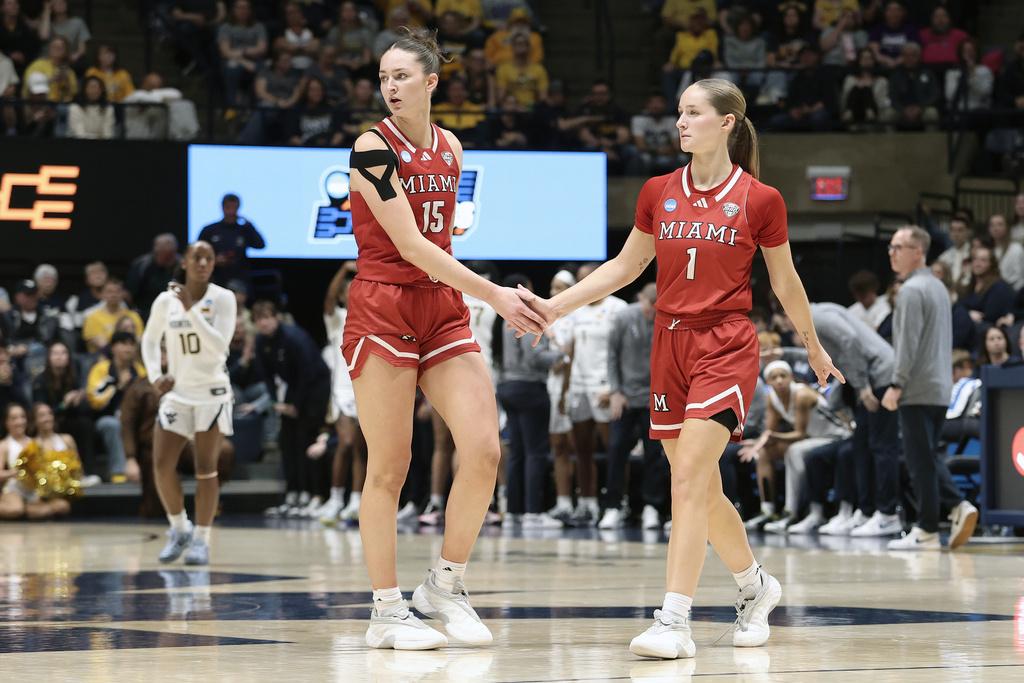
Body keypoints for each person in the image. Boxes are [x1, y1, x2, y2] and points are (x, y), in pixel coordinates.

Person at [517, 78, 842, 659]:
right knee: (701, 487)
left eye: (693, 113)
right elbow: (625, 267)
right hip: (669, 345)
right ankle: (755, 587)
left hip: (726, 345)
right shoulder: (658, 190)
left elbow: (785, 282)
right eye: (679, 113)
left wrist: (812, 345)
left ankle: (673, 620)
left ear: (726, 123)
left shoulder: (761, 199)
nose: (680, 123)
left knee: (688, 478)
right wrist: (553, 310)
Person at [340, 27, 544, 650]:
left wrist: (480, 296)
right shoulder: (371, 148)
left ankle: (445, 584)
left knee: (485, 449)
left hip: (443, 307)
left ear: (431, 83)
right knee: (391, 466)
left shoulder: (452, 146)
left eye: (401, 76)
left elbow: (440, 246)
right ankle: (384, 611)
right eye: (383, 77)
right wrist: (497, 294)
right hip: (383, 303)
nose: (390, 86)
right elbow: (408, 245)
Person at [881, 226, 978, 550]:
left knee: (919, 460)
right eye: (891, 247)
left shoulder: (910, 290)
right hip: (939, 386)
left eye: (898, 247)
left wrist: (897, 383)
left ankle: (928, 529)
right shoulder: (938, 286)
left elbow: (907, 344)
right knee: (927, 456)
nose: (892, 252)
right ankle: (952, 510)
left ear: (918, 251)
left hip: (918, 386)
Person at [141, 241, 236, 565]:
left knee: (206, 470)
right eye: (197, 258)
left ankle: (202, 540)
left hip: (211, 393)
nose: (203, 263)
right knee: (161, 466)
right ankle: (180, 527)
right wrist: (156, 376)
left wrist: (190, 310)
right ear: (184, 262)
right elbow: (150, 340)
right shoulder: (165, 300)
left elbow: (220, 348)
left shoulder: (223, 298)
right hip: (178, 393)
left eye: (209, 258)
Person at [788, 302, 901, 536]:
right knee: (861, 447)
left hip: (880, 377)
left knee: (881, 447)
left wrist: (861, 385)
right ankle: (867, 511)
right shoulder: (819, 315)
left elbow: (849, 342)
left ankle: (888, 514)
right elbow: (839, 358)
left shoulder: (817, 317)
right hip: (869, 380)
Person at [742, 360, 850, 533]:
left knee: (794, 450)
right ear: (768, 382)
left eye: (783, 376)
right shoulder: (772, 398)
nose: (779, 381)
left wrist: (769, 436)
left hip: (834, 437)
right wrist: (758, 443)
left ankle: (792, 511)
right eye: (774, 377)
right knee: (765, 453)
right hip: (812, 439)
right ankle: (768, 510)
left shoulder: (801, 395)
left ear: (791, 377)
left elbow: (798, 434)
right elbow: (771, 432)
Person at [494, 273, 564, 528]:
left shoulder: (501, 318)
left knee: (517, 451)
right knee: (536, 451)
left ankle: (513, 511)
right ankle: (534, 512)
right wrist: (561, 354)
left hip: (507, 386)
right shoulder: (524, 317)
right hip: (529, 388)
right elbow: (535, 357)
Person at [253, 300, 331, 518]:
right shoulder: (261, 342)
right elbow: (267, 376)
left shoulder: (294, 338)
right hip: (293, 388)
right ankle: (292, 493)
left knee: (305, 438)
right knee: (287, 440)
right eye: (259, 319)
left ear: (276, 317)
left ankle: (310, 493)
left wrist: (295, 405)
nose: (263, 323)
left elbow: (308, 373)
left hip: (315, 387)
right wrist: (275, 404)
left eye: (267, 317)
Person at [601, 282, 668, 531]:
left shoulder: (667, 318)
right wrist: (615, 391)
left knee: (654, 454)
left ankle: (651, 506)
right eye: (649, 309)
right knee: (617, 450)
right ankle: (612, 506)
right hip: (625, 397)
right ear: (640, 299)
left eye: (656, 310)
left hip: (655, 398)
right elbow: (611, 355)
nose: (651, 314)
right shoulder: (623, 317)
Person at [566, 262, 628, 526]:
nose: (582, 286)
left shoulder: (618, 308)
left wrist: (615, 388)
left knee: (614, 450)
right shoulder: (575, 308)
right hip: (579, 386)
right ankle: (587, 502)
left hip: (605, 387)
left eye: (586, 279)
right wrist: (565, 391)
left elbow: (626, 353)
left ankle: (618, 502)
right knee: (581, 449)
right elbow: (571, 352)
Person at [317, 262, 366, 524]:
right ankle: (335, 499)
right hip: (342, 391)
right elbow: (328, 298)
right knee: (345, 444)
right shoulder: (336, 319)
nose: (350, 293)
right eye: (346, 290)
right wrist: (344, 270)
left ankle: (355, 502)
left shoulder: (369, 317)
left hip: (365, 390)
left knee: (360, 449)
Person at [86, 331, 146, 481]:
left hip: (133, 418)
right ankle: (119, 472)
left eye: (131, 344)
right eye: (123, 344)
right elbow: (94, 399)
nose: (128, 348)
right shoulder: (101, 368)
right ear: (113, 348)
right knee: (113, 425)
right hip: (106, 417)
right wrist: (118, 386)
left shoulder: (140, 371)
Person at [0, 402, 76, 519]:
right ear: (7, 422)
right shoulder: (4, 445)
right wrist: (15, 472)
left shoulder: (35, 442)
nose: (20, 421)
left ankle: (28, 510)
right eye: (14, 418)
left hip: (34, 492)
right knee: (15, 509)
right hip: (13, 490)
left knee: (63, 506)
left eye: (22, 417)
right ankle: (21, 508)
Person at [197, 193, 266, 292]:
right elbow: (198, 255)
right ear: (222, 208)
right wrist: (214, 261)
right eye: (228, 208)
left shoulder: (244, 230)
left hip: (240, 282)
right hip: (215, 280)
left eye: (235, 208)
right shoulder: (209, 230)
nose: (231, 212)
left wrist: (250, 226)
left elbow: (261, 245)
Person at [217, 0, 267, 110]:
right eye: (240, 8)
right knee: (232, 68)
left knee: (264, 68)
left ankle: (255, 110)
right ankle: (232, 108)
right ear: (234, 9)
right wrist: (244, 61)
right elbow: (225, 52)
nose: (243, 11)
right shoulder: (225, 27)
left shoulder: (258, 26)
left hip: (255, 61)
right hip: (233, 62)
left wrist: (241, 52)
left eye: (246, 8)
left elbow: (262, 49)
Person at [884, 42, 941, 129]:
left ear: (919, 56)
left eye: (912, 55)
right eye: (906, 55)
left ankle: (931, 141)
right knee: (888, 114)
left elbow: (935, 94)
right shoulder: (897, 73)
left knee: (932, 113)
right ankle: (888, 142)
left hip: (922, 108)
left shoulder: (927, 72)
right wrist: (903, 109)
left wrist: (920, 107)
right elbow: (891, 95)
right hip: (902, 109)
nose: (909, 58)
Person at [126, 234, 181, 321]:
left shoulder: (183, 266)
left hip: (176, 313)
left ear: (173, 252)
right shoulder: (141, 265)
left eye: (165, 255)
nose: (159, 257)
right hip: (146, 314)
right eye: (157, 252)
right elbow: (128, 294)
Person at [82, 279, 144, 353]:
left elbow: (140, 341)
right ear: (103, 294)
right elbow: (104, 346)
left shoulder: (134, 316)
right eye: (110, 292)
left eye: (117, 291)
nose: (114, 294)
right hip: (103, 358)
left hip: (132, 356)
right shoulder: (92, 318)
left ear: (122, 294)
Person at [37, 0, 90, 75]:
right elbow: (44, 36)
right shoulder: (46, 23)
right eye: (56, 3)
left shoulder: (78, 22)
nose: (60, 4)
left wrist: (74, 56)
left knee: (82, 65)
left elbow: (82, 49)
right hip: (49, 60)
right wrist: (47, 10)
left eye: (62, 2)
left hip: (71, 59)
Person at [66, 74, 114, 139]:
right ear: (85, 89)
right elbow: (79, 134)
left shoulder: (108, 108)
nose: (96, 90)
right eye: (93, 87)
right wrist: (96, 137)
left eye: (99, 88)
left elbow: (108, 134)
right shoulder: (75, 108)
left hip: (101, 146)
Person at [937, 216, 972, 290]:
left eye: (960, 230)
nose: (956, 234)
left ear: (968, 232)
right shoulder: (944, 257)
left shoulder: (974, 254)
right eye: (953, 230)